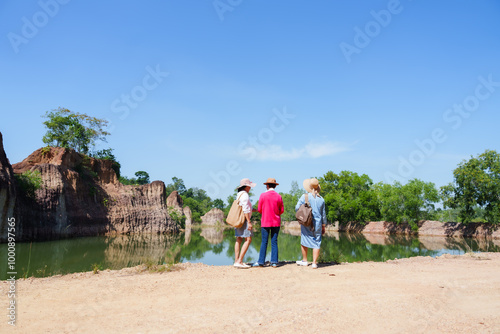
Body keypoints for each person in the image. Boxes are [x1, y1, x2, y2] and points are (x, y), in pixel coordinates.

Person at [295, 178, 326, 269]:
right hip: (318, 224)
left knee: (304, 239)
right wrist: (323, 226)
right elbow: (323, 214)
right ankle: (314, 263)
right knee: (317, 241)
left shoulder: (305, 197)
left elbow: (297, 208)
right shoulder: (321, 199)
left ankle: (305, 260)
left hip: (306, 222)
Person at [253, 178, 284, 268]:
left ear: (267, 186)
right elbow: (282, 210)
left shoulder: (263, 195)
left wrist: (266, 212)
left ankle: (261, 262)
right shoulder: (279, 196)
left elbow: (259, 209)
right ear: (275, 186)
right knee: (274, 241)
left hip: (266, 221)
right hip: (276, 222)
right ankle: (274, 262)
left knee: (264, 242)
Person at [233, 178, 257, 268]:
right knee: (248, 239)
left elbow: (245, 207)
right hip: (244, 220)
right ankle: (240, 261)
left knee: (239, 239)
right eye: (250, 186)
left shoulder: (239, 194)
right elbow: (245, 209)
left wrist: (255, 210)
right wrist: (249, 222)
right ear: (246, 186)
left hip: (238, 220)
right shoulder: (245, 195)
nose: (250, 188)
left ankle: (236, 260)